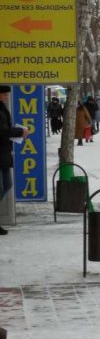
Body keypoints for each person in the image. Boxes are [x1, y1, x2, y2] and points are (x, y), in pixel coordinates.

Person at [0, 85, 30, 235]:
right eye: (4, 95)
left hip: (3, 153)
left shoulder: (2, 109)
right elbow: (2, 130)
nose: (6, 97)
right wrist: (20, 131)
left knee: (7, 184)